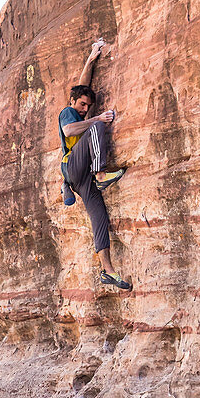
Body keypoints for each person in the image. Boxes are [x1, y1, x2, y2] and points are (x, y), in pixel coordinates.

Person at [58, 41, 132, 291]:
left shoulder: (81, 108)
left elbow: (83, 85)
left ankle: (108, 271)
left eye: (88, 106)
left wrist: (91, 58)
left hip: (80, 179)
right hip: (74, 168)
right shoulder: (68, 113)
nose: (85, 109)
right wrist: (96, 118)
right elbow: (69, 129)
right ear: (72, 102)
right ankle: (101, 174)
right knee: (97, 125)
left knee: (100, 216)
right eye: (82, 105)